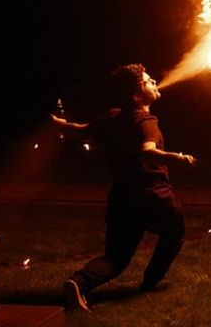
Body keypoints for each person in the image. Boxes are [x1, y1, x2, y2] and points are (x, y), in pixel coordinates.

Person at [51, 63, 197, 312]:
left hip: (122, 197)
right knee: (175, 231)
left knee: (116, 258)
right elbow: (148, 153)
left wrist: (56, 123)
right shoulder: (147, 121)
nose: (154, 82)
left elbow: (82, 131)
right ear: (137, 96)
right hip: (153, 195)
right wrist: (178, 157)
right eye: (148, 81)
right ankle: (151, 281)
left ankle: (78, 282)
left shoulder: (112, 117)